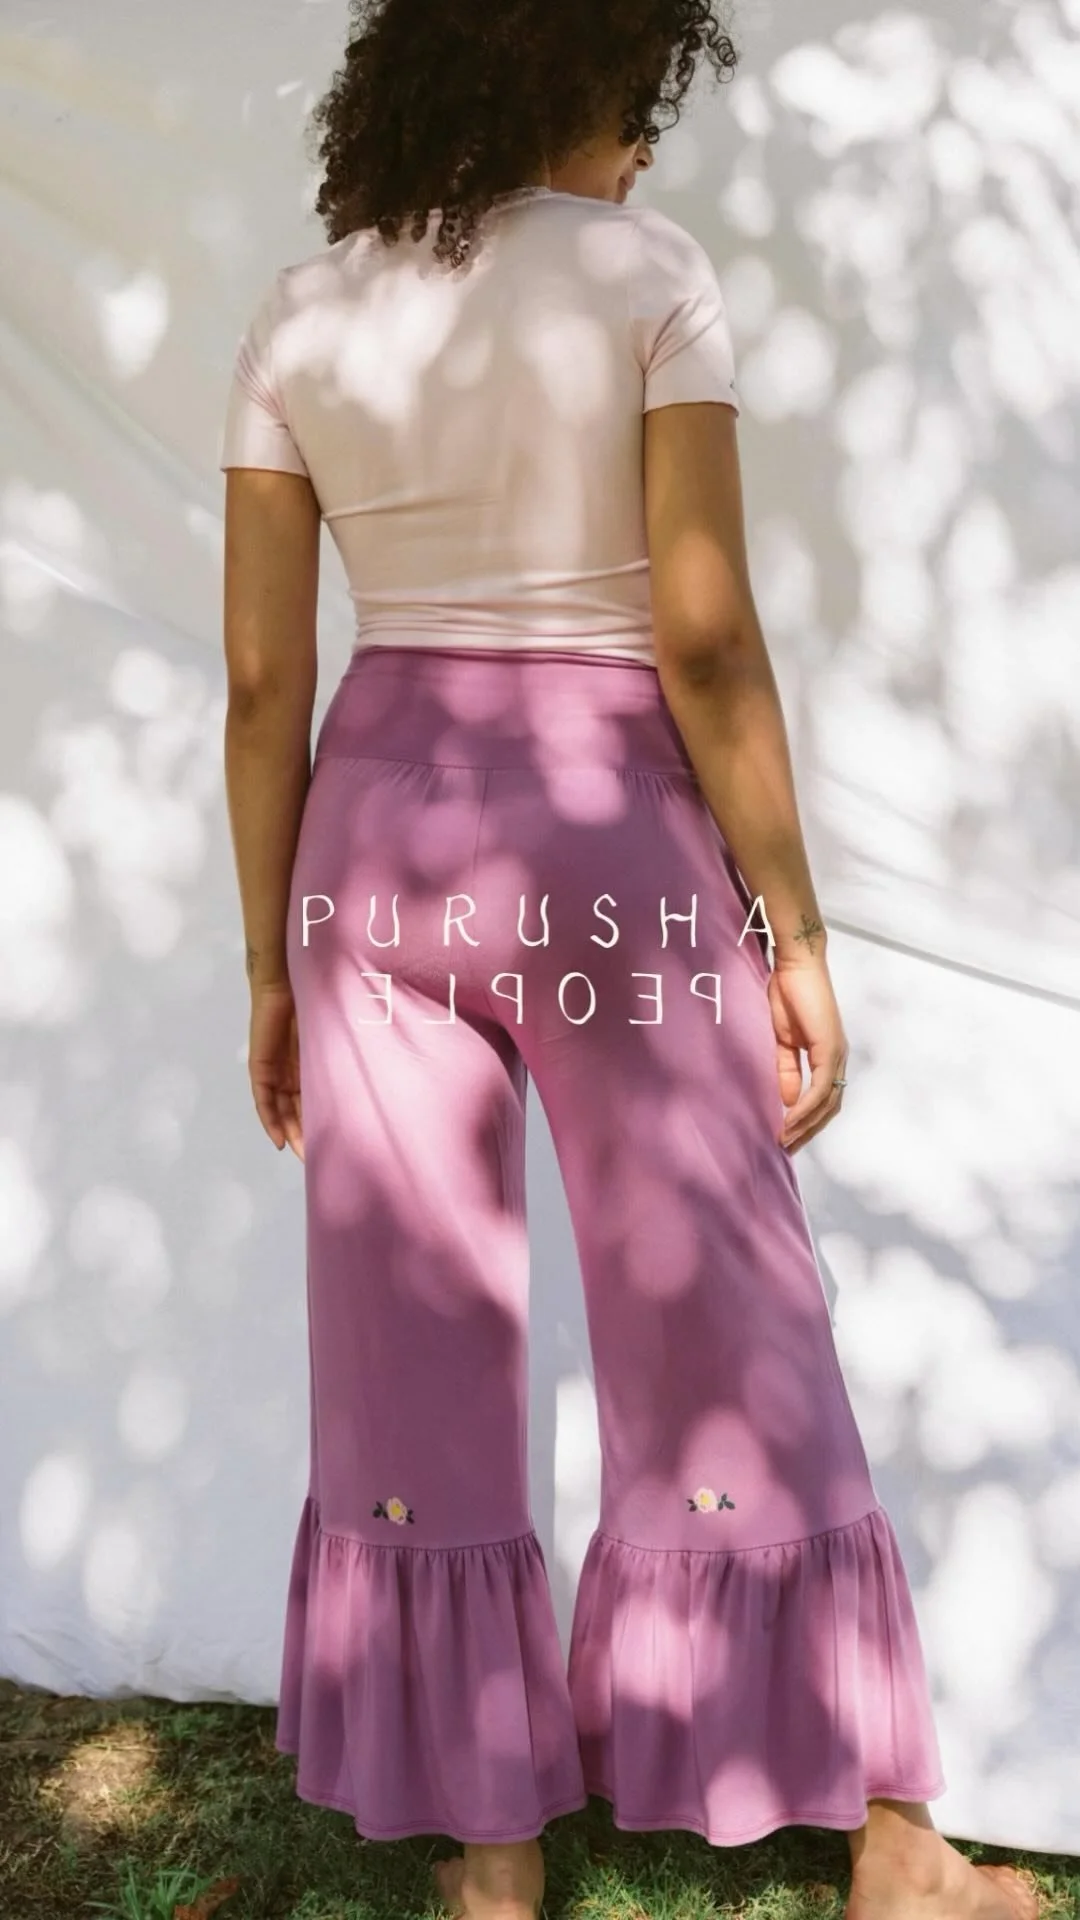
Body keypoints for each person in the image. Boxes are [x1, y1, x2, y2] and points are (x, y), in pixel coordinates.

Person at [219, 5, 1039, 1919]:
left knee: (408, 1325)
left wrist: (266, 961)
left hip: (374, 851)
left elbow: (263, 685)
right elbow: (708, 640)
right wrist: (796, 928)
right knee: (728, 1309)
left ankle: (494, 1851)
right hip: (609, 840)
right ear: (574, 81)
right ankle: (891, 1843)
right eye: (638, 106)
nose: (647, 149)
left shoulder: (299, 315)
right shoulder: (648, 277)